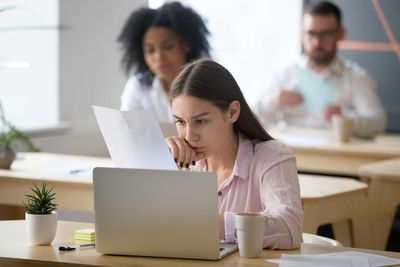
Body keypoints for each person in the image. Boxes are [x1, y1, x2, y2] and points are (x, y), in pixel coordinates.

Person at [165, 59, 303, 249]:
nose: (189, 136)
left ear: (232, 112)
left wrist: (211, 224)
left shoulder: (271, 157)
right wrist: (157, 163)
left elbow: (289, 228)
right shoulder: (177, 162)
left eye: (201, 121)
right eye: (180, 122)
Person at [255, 1, 386, 138]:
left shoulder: (357, 77)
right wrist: (273, 101)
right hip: (289, 152)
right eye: (311, 34)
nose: (317, 42)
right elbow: (250, 119)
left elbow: (378, 122)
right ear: (302, 34)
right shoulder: (284, 74)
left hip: (336, 155)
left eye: (326, 34)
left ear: (341, 34)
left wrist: (345, 118)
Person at [118, 2, 210, 122]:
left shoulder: (208, 84)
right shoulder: (138, 87)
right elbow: (127, 132)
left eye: (168, 47)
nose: (159, 57)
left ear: (187, 44)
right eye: (150, 50)